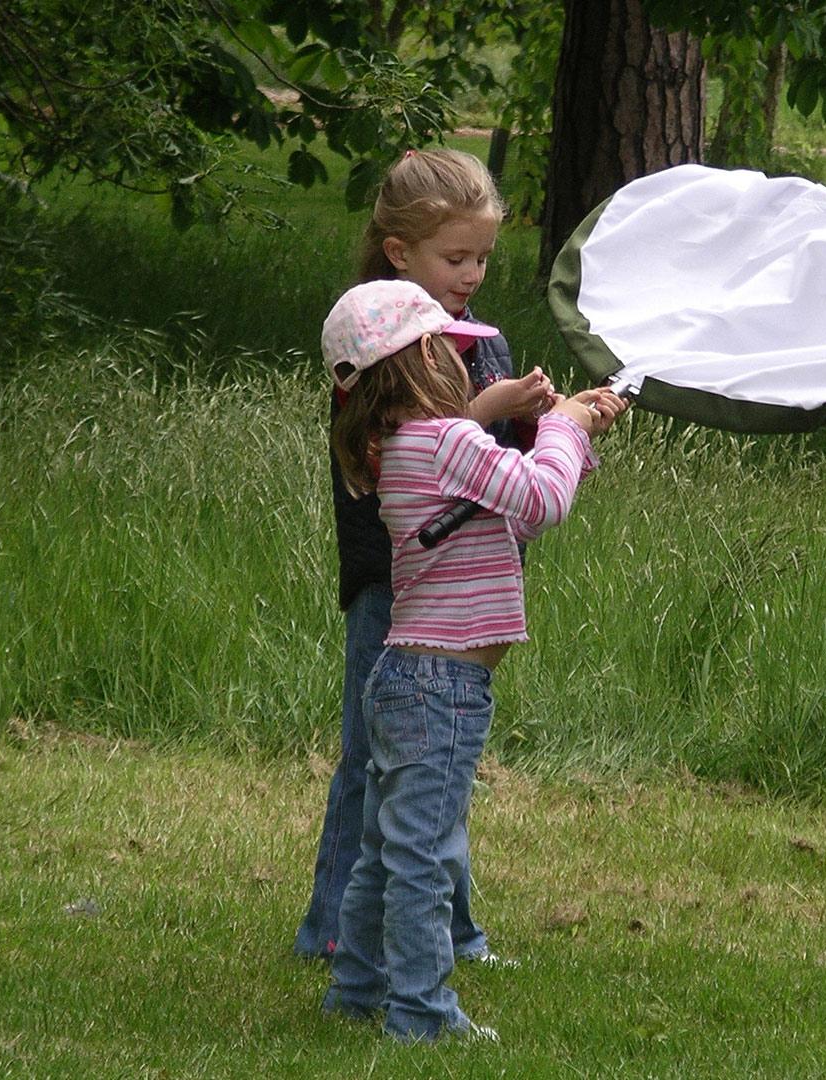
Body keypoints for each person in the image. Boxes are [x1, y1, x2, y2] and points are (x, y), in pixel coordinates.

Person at [319, 279, 625, 1042]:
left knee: (387, 849)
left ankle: (356, 990)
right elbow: (541, 503)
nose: (470, 366)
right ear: (424, 360)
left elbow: (506, 495)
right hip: (443, 685)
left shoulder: (402, 445)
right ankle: (422, 1014)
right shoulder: (448, 441)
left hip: (404, 679)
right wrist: (564, 427)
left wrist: (571, 431)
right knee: (420, 856)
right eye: (456, 354)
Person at [294, 148, 554, 963]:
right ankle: (336, 931)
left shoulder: (481, 340)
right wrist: (488, 409)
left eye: (481, 256)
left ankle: (452, 930)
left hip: (463, 587)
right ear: (400, 253)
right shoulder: (375, 336)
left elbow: (496, 469)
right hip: (394, 580)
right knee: (378, 761)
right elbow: (401, 446)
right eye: (455, 257)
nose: (472, 273)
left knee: (434, 767)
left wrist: (552, 428)